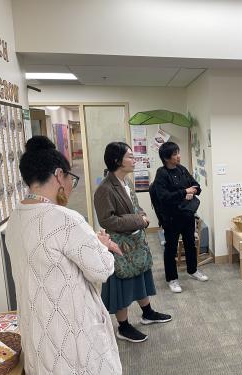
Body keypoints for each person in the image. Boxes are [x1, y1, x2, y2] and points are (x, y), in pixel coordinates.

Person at [5, 136, 122, 374]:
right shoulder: (65, 220)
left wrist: (92, 243)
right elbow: (102, 269)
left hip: (37, 330)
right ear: (59, 175)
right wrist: (102, 245)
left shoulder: (15, 219)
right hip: (72, 334)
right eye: (71, 179)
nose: (70, 185)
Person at [94, 142, 171, 343]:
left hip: (135, 242)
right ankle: (124, 326)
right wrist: (139, 220)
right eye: (130, 156)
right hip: (121, 246)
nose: (133, 159)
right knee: (124, 284)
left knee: (140, 278)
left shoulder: (125, 181)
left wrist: (143, 216)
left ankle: (147, 313)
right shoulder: (105, 189)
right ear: (117, 161)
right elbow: (107, 220)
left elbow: (136, 207)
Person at [149, 141, 209, 293]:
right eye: (175, 154)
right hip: (171, 218)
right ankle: (172, 279)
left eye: (178, 152)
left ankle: (193, 270)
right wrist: (184, 193)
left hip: (187, 215)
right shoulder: (161, 173)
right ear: (166, 158)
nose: (178, 156)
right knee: (171, 248)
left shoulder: (182, 169)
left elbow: (196, 186)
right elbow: (163, 197)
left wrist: (192, 191)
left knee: (190, 244)